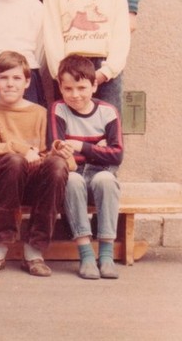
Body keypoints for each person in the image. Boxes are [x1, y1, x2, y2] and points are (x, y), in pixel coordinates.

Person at [0, 51, 70, 277]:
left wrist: (53, 154)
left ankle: (34, 250)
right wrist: (22, 149)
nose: (10, 84)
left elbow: (50, 158)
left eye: (16, 78)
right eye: (3, 78)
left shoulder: (41, 113)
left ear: (27, 82)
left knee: (57, 165)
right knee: (14, 161)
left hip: (31, 183)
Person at [49, 54, 123, 280]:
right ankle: (86, 254)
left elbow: (117, 155)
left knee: (106, 180)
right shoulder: (58, 109)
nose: (75, 95)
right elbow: (58, 147)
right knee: (71, 180)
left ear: (94, 86)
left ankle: (107, 255)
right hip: (73, 173)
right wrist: (98, 149)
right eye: (68, 88)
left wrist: (81, 146)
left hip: (101, 173)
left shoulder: (108, 111)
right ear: (60, 88)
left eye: (81, 87)